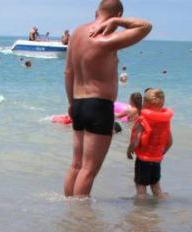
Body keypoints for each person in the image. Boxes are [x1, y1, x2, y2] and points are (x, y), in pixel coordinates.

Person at [63, 0, 152, 197]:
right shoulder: (107, 38)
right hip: (99, 105)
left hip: (77, 103)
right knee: (88, 169)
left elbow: (68, 72)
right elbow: (146, 26)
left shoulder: (77, 33)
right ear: (117, 13)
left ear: (96, 12)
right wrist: (118, 22)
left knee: (76, 165)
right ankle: (79, 218)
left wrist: (71, 103)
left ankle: (68, 211)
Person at [127, 88, 172, 197]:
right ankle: (161, 206)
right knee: (156, 186)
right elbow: (170, 142)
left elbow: (136, 140)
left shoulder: (142, 119)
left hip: (143, 160)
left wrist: (129, 150)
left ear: (145, 103)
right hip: (157, 160)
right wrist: (161, 153)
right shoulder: (165, 122)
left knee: (141, 186)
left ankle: (142, 212)